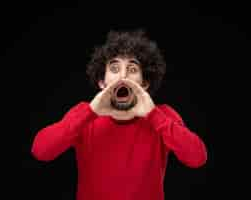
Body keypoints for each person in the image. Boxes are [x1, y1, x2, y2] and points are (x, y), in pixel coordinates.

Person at [31, 29, 207, 200]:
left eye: (132, 69)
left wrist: (154, 115)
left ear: (144, 83)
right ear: (102, 82)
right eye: (114, 68)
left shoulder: (163, 115)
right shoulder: (83, 114)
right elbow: (41, 151)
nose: (123, 76)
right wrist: (90, 112)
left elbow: (197, 158)